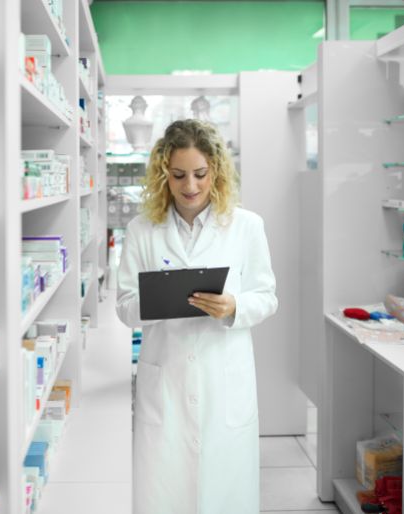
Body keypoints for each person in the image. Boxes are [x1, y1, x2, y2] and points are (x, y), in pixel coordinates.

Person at [116, 119, 278, 514]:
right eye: (178, 175)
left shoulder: (246, 226)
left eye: (200, 174)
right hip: (166, 380)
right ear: (162, 175)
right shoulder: (142, 230)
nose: (190, 186)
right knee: (164, 492)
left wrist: (234, 307)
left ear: (216, 171)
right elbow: (124, 305)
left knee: (226, 492)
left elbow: (267, 297)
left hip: (225, 380)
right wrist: (157, 301)